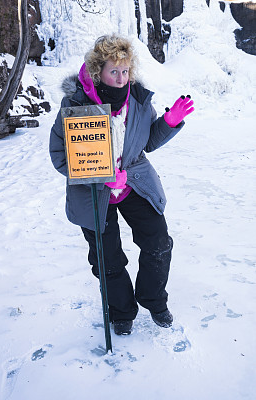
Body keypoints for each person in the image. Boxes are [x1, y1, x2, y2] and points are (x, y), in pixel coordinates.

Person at [49, 34, 194, 335]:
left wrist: (169, 123)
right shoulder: (76, 105)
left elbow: (147, 142)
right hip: (92, 193)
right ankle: (121, 311)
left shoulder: (138, 99)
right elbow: (59, 155)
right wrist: (103, 175)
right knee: (107, 259)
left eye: (125, 70)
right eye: (113, 71)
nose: (120, 78)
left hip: (134, 184)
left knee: (158, 243)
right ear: (97, 71)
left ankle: (153, 300)